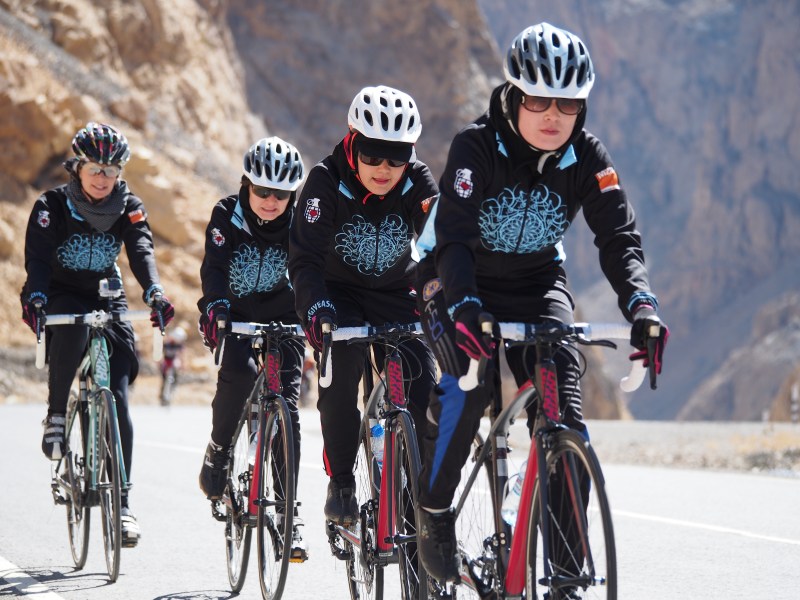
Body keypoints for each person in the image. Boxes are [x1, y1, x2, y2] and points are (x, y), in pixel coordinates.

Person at [413, 23, 670, 584]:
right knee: (470, 386)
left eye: (568, 103)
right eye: (538, 100)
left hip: (536, 281)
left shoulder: (587, 155)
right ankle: (432, 510)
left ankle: (566, 577)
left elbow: (618, 239)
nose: (553, 115)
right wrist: (465, 306)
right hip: (455, 276)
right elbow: (453, 239)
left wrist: (642, 307)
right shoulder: (475, 147)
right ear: (514, 94)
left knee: (563, 412)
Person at [289, 85, 438, 526]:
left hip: (397, 292)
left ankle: (418, 502)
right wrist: (315, 308)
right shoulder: (324, 180)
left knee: (425, 392)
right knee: (339, 380)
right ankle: (341, 482)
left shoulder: (417, 180)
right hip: (338, 295)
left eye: (397, 156)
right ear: (353, 142)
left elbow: (440, 244)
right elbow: (305, 258)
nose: (384, 169)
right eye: (372, 155)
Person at [21, 122, 175, 548]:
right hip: (60, 292)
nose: (103, 178)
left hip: (107, 293)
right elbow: (38, 259)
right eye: (95, 169)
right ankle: (56, 414)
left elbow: (141, 250)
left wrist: (155, 291)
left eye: (111, 170)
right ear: (78, 167)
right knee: (71, 335)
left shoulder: (129, 206)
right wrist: (36, 296)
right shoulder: (52, 205)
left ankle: (122, 506)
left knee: (119, 395)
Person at [197, 135, 308, 561]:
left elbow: (314, 270)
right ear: (246, 184)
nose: (271, 201)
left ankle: (288, 512)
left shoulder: (301, 223)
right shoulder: (226, 214)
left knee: (288, 410)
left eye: (281, 193)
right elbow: (214, 268)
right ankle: (220, 451)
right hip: (236, 315)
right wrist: (216, 306)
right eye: (262, 190)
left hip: (286, 319)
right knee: (239, 374)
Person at [159, 325, 187, 405]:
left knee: (174, 380)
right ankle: (163, 398)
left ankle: (170, 396)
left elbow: (181, 355)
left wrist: (182, 364)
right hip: (166, 364)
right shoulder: (166, 344)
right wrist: (161, 363)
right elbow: (161, 354)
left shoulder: (179, 345)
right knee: (165, 381)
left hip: (174, 365)